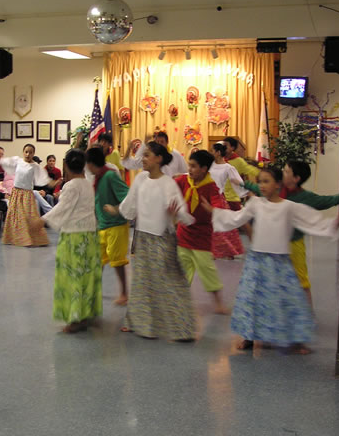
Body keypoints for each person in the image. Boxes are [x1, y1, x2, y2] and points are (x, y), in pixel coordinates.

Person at [201, 166, 339, 354]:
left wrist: (332, 225)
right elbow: (236, 218)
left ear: (278, 184)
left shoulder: (288, 207)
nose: (262, 185)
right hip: (257, 261)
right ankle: (249, 336)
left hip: (280, 262)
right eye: (260, 182)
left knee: (287, 300)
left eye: (266, 181)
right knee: (252, 299)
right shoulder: (255, 204)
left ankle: (296, 340)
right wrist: (214, 211)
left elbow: (311, 222)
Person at [104, 141, 197, 341]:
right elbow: (129, 204)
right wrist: (116, 210)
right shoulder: (140, 179)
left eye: (147, 155)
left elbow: (181, 210)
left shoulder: (168, 183)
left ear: (159, 159)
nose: (142, 159)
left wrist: (177, 214)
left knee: (169, 282)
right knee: (142, 281)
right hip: (143, 237)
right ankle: (140, 323)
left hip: (162, 238)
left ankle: (182, 328)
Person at [30, 149, 102, 333]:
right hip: (89, 235)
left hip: (74, 237)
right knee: (86, 274)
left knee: (73, 276)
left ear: (67, 166)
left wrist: (41, 220)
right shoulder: (87, 184)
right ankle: (86, 312)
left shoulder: (71, 186)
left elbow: (63, 208)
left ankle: (76, 318)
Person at [281, 161, 339, 306]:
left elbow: (328, 200)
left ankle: (308, 312)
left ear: (296, 178)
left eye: (286, 171)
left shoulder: (305, 197)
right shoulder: (278, 191)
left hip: (294, 245)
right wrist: (244, 185)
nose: (283, 173)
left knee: (301, 280)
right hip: (276, 244)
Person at [174, 149, 229, 314]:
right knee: (182, 269)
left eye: (193, 166)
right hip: (183, 233)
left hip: (202, 236)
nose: (189, 169)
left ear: (204, 169)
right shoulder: (183, 180)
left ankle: (218, 302)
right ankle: (178, 299)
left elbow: (218, 205)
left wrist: (213, 209)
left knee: (207, 269)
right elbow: (169, 189)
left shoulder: (211, 187)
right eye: (189, 165)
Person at [85, 147, 130, 306]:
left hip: (116, 225)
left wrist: (116, 209)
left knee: (117, 261)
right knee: (98, 258)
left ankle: (124, 292)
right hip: (103, 225)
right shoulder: (97, 178)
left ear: (91, 163)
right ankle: (94, 288)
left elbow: (128, 196)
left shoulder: (110, 176)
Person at [0, 144, 52, 247]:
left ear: (33, 153)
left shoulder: (35, 166)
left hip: (27, 193)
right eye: (26, 152)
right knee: (16, 216)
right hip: (16, 192)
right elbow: (5, 162)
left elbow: (43, 178)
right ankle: (16, 238)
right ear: (23, 152)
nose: (28, 154)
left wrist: (53, 183)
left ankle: (32, 238)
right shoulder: (18, 161)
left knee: (29, 216)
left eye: (30, 152)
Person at [209, 142, 246, 259]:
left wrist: (245, 192)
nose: (211, 153)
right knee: (209, 226)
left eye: (212, 151)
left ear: (218, 152)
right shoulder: (209, 165)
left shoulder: (228, 168)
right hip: (208, 198)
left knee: (223, 228)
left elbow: (238, 182)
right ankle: (211, 251)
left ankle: (228, 251)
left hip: (219, 198)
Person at [122, 131, 188, 177]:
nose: (159, 144)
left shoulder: (176, 154)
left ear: (167, 142)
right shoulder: (149, 156)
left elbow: (185, 172)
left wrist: (178, 177)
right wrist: (129, 148)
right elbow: (128, 163)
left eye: (162, 142)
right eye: (157, 142)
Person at [222, 136, 260, 211]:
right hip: (221, 196)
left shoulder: (238, 161)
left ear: (232, 147)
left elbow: (250, 170)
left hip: (232, 198)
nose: (223, 147)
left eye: (225, 145)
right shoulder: (220, 159)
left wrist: (263, 173)